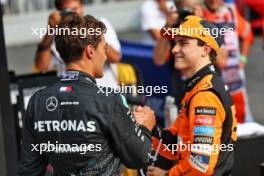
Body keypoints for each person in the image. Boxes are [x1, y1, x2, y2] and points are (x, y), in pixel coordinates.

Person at [18, 14, 156, 176]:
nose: (105, 56)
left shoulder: (38, 101)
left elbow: (29, 170)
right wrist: (144, 127)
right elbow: (140, 157)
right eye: (104, 48)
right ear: (90, 51)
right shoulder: (108, 99)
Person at [139, 16, 237, 175]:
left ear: (205, 50)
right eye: (175, 42)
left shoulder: (205, 96)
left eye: (183, 43)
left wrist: (167, 175)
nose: (174, 49)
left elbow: (201, 164)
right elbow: (178, 139)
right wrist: (150, 128)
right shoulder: (199, 87)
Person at [35, 0, 121, 78]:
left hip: (103, 89)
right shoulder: (57, 33)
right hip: (71, 90)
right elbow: (42, 67)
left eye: (75, 9)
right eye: (68, 11)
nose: (73, 14)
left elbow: (115, 57)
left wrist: (93, 35)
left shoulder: (100, 25)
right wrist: (50, 29)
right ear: (59, 13)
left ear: (82, 7)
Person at [202, 0, 254, 123]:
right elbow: (220, 62)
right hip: (213, 83)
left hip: (236, 81)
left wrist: (243, 58)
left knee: (242, 120)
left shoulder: (230, 11)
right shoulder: (200, 14)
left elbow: (248, 34)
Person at [153, 0, 203, 107]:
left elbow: (222, 61)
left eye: (190, 11)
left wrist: (202, 24)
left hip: (205, 91)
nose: (187, 16)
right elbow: (158, 60)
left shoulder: (207, 25)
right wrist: (168, 26)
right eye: (184, 11)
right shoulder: (173, 29)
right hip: (181, 92)